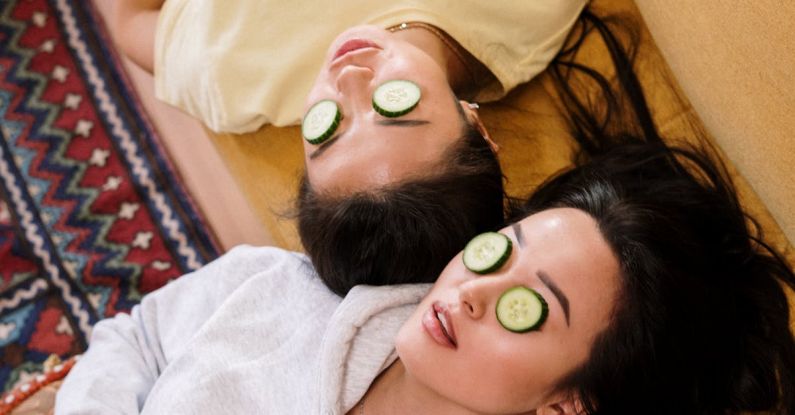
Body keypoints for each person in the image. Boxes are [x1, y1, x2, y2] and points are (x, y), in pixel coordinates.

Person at [55, 13, 795, 413]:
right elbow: (136, 335)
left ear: (565, 406)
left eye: (525, 306)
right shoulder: (280, 288)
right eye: (496, 251)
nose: (469, 289)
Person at [111, 0, 588, 295]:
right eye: (396, 107)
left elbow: (130, 20)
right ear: (475, 125)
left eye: (327, 127)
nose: (352, 78)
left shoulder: (228, 73)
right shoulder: (529, 9)